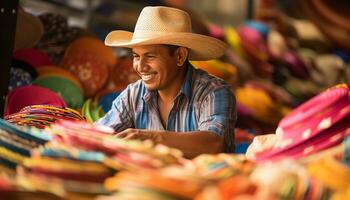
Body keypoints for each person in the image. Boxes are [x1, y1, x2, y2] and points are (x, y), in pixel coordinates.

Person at [96, 6, 236, 158]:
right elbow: (99, 133)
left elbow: (214, 143)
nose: (140, 67)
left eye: (150, 56)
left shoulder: (213, 92)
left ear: (180, 56)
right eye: (136, 56)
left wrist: (153, 138)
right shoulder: (134, 95)